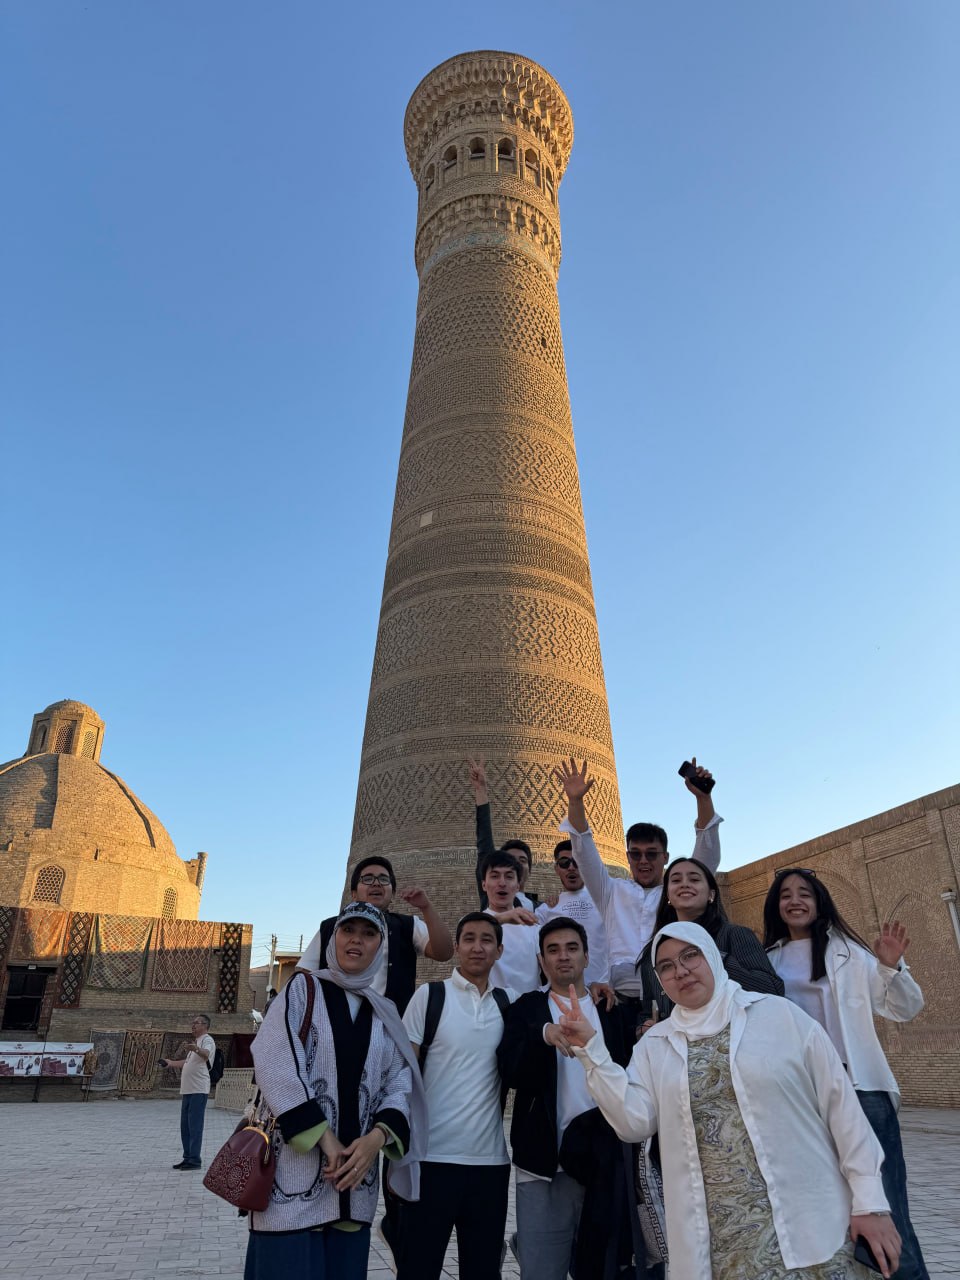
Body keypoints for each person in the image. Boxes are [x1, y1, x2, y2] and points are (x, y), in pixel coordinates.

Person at [555, 921, 901, 1280]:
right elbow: (633, 1123)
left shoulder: (779, 1016)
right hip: (720, 1248)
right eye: (667, 966)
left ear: (712, 956)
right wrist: (591, 1051)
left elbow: (842, 1112)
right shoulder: (654, 1047)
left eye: (690, 955)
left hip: (812, 1228)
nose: (681, 971)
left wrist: (871, 1203)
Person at [246, 901, 425, 1280]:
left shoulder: (384, 1011)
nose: (356, 940)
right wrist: (326, 1140)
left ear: (381, 947)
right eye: (348, 930)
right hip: (292, 1183)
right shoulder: (302, 990)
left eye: (369, 934)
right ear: (334, 939)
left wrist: (376, 1139)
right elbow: (275, 1059)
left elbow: (398, 1082)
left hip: (354, 1190)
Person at [763, 869, 928, 1280]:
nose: (795, 901)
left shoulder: (849, 952)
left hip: (861, 1090)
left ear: (819, 902)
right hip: (805, 1097)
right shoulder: (768, 962)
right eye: (786, 895)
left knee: (887, 1206)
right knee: (833, 1208)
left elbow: (904, 1008)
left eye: (804, 893)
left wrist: (891, 966)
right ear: (776, 906)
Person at [497, 918, 635, 1280]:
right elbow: (511, 1071)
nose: (563, 956)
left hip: (604, 1165)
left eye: (572, 948)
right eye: (553, 950)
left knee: (603, 1268)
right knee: (542, 1270)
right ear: (541, 961)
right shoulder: (527, 1009)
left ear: (587, 957)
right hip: (544, 1165)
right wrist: (543, 1035)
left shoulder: (611, 1009)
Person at [395, 912, 517, 1280]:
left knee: (483, 1271)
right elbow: (401, 1072)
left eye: (486, 940)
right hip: (431, 1159)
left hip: (490, 1164)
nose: (477, 947)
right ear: (458, 946)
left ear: (499, 950)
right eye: (469, 939)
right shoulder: (429, 997)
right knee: (418, 1269)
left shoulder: (509, 1003)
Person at [556, 757, 722, 1006]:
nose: (643, 861)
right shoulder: (610, 891)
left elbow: (705, 858)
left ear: (665, 857)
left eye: (651, 854)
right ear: (627, 857)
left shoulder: (677, 893)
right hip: (619, 1001)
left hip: (673, 998)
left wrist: (703, 799)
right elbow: (583, 848)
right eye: (636, 854)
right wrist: (575, 802)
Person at [637, 857, 783, 1030]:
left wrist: (713, 956)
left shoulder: (734, 935)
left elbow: (771, 989)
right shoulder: (655, 953)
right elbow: (648, 1009)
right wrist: (644, 1026)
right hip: (678, 1043)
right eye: (676, 880)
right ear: (668, 895)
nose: (684, 884)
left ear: (711, 894)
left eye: (694, 879)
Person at [299, 855, 453, 1014]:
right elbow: (305, 974)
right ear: (353, 894)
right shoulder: (331, 927)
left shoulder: (408, 925)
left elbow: (444, 953)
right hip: (332, 1019)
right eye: (367, 879)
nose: (376, 883)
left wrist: (426, 907)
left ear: (393, 894)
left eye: (383, 879)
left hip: (389, 1022)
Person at [534, 839, 610, 991]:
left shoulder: (605, 902)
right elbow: (538, 952)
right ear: (557, 868)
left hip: (602, 990)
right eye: (564, 863)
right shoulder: (545, 910)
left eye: (577, 862)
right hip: (562, 993)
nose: (571, 867)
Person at [469, 756, 538, 909]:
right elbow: (484, 842)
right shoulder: (491, 898)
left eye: (522, 860)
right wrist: (481, 790)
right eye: (511, 859)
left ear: (529, 870)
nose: (517, 864)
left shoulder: (541, 909)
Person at [159, 1014, 216, 1170]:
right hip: (189, 1090)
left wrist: (195, 1048)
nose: (193, 1025)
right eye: (193, 1023)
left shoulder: (207, 1040)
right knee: (186, 1126)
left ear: (205, 1025)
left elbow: (206, 1054)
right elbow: (187, 1062)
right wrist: (170, 1063)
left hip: (199, 1089)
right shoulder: (196, 1043)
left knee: (195, 1126)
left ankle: (195, 1160)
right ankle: (187, 1157)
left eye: (196, 1023)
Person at [481, 849, 542, 993]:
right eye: (494, 876)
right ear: (484, 885)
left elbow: (550, 968)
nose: (502, 883)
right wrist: (503, 918)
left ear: (518, 886)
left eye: (509, 877)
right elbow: (476, 931)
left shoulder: (533, 926)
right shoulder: (470, 923)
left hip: (528, 1004)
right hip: (492, 1004)